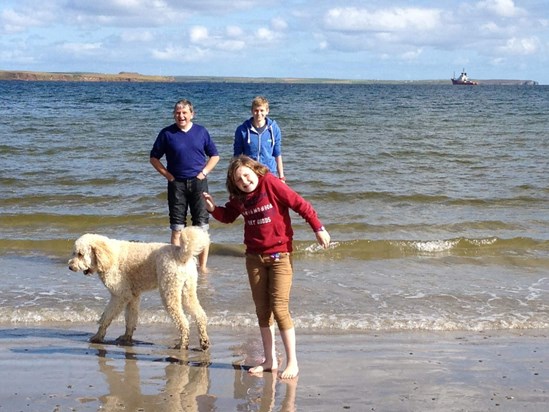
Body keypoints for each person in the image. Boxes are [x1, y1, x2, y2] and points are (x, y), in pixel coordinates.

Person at [202, 155, 331, 379]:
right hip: (254, 257)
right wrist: (213, 208)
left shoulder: (271, 183)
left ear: (256, 171)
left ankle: (292, 362)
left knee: (280, 309)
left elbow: (300, 204)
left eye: (246, 175)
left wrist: (318, 228)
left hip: (280, 255)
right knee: (262, 310)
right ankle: (269, 359)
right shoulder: (240, 196)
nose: (244, 180)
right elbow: (228, 216)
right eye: (238, 179)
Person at [150, 99, 220, 273]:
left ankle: (203, 267)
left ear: (191, 114)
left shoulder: (201, 132)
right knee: (177, 228)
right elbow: (154, 158)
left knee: (202, 227)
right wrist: (167, 175)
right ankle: (177, 266)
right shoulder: (166, 134)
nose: (181, 116)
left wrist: (204, 173)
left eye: (184, 113)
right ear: (174, 114)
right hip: (176, 185)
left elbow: (215, 156)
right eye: (177, 113)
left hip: (198, 183)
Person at [233, 96, 285, 181]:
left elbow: (277, 154)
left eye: (262, 110)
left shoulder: (274, 129)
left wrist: (281, 177)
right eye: (256, 110)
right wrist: (235, 177)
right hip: (250, 173)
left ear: (267, 111)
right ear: (252, 111)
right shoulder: (242, 130)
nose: (259, 114)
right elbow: (237, 156)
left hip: (269, 173)